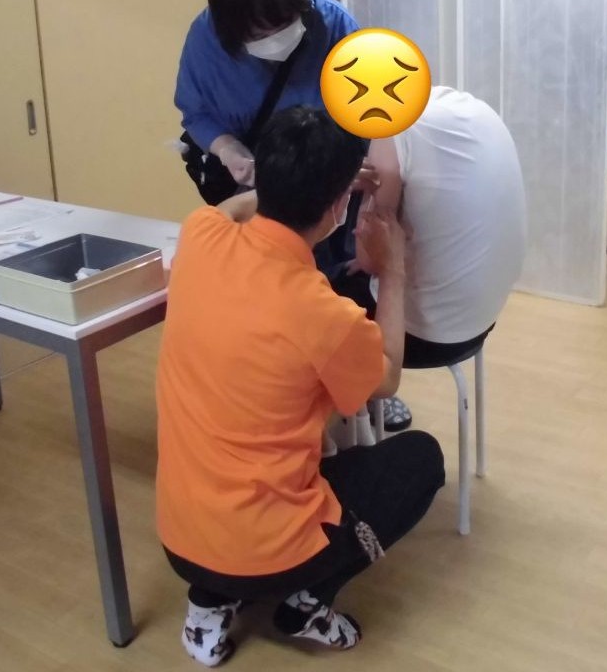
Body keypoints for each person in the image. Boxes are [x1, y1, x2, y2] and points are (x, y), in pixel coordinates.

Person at [156, 106, 445, 667]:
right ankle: (307, 602)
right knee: (420, 460)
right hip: (266, 551)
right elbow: (387, 377)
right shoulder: (322, 314)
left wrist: (294, 184)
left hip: (181, 536)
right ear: (338, 208)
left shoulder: (200, 235)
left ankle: (207, 608)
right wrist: (394, 270)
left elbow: (230, 209)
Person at [175, 0, 412, 430]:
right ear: (232, 32)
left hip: (323, 176)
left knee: (341, 282)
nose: (278, 37)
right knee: (279, 298)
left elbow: (377, 117)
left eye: (287, 21)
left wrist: (371, 208)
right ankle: (300, 390)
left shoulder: (333, 24)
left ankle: (353, 388)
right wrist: (228, 151)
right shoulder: (205, 42)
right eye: (262, 33)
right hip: (262, 183)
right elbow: (195, 113)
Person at [340, 86, 526, 367]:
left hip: (421, 337)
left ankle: (344, 393)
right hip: (483, 319)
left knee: (313, 300)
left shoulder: (391, 126)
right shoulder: (474, 108)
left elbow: (368, 259)